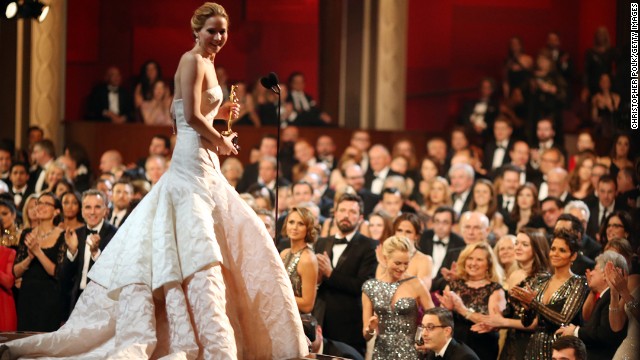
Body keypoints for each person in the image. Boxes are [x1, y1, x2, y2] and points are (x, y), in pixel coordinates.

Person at [1, 3, 307, 359]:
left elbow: (186, 115)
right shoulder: (191, 60)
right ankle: (198, 335)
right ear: (197, 31)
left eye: (223, 30)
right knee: (197, 246)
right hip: (192, 162)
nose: (219, 37)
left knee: (221, 235)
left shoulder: (206, 63)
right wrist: (219, 139)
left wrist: (221, 115)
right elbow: (190, 116)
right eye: (212, 30)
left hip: (205, 160)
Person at [313, 193, 377, 355]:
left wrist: (330, 273)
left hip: (349, 325)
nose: (346, 215)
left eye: (352, 212)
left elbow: (363, 285)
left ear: (360, 218)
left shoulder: (369, 246)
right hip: (320, 320)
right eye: (342, 210)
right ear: (335, 214)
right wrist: (318, 280)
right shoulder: (321, 242)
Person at [511, 229, 590, 360]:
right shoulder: (542, 279)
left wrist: (533, 303)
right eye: (553, 249)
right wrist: (527, 308)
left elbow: (564, 319)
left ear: (573, 256)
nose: (555, 254)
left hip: (562, 349)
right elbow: (526, 323)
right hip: (534, 346)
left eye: (562, 250)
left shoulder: (579, 282)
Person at [362, 236, 433, 359]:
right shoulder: (370, 287)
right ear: (385, 259)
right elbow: (366, 335)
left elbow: (434, 318)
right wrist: (371, 329)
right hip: (381, 353)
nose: (402, 268)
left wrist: (422, 338)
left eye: (406, 263)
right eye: (398, 263)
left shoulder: (416, 284)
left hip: (412, 353)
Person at [437, 242, 506, 360]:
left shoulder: (495, 289)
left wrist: (463, 310)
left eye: (479, 259)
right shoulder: (453, 285)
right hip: (454, 346)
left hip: (483, 348)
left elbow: (495, 323)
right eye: (470, 258)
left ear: (488, 264)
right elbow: (440, 321)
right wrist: (447, 310)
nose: (473, 263)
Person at [554, 251, 628, 359]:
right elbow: (587, 321)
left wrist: (575, 331)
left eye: (595, 269)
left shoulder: (611, 298)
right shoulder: (603, 297)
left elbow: (605, 334)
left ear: (605, 274)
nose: (591, 273)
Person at [13, 192, 66, 332]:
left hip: (50, 298)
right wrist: (29, 258)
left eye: (46, 204)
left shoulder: (62, 236)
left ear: (56, 211)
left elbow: (56, 272)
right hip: (27, 296)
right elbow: (15, 272)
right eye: (39, 203)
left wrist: (38, 252)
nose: (41, 206)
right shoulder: (27, 234)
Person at [280, 207, 318, 314]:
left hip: (299, 321)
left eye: (301, 224)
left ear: (308, 229)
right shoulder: (284, 253)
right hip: (282, 315)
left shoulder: (307, 259)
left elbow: (307, 305)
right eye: (291, 222)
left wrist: (280, 295)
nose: (294, 227)